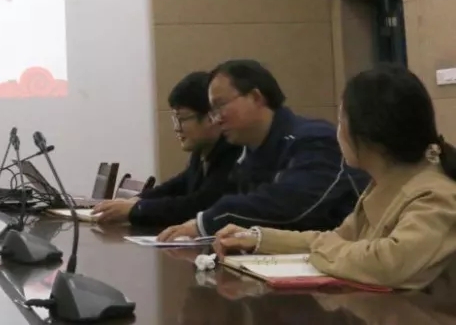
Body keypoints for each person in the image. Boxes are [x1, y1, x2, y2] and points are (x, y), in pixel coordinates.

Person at [215, 65, 456, 290]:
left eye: (341, 120)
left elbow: (387, 264)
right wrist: (259, 238)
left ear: (369, 131)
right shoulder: (383, 186)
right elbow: (338, 239)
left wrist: (323, 249)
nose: (337, 131)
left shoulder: (435, 195)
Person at [158, 59, 366, 242]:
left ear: (256, 97)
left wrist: (205, 223)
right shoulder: (248, 153)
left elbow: (288, 205)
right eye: (212, 111)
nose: (216, 119)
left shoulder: (315, 140)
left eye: (220, 106)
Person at [93, 71, 238, 227]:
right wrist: (137, 200)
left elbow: (198, 205)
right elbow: (178, 185)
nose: (177, 128)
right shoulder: (202, 151)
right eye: (175, 119)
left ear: (211, 117)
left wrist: (137, 209)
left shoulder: (234, 154)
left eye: (182, 119)